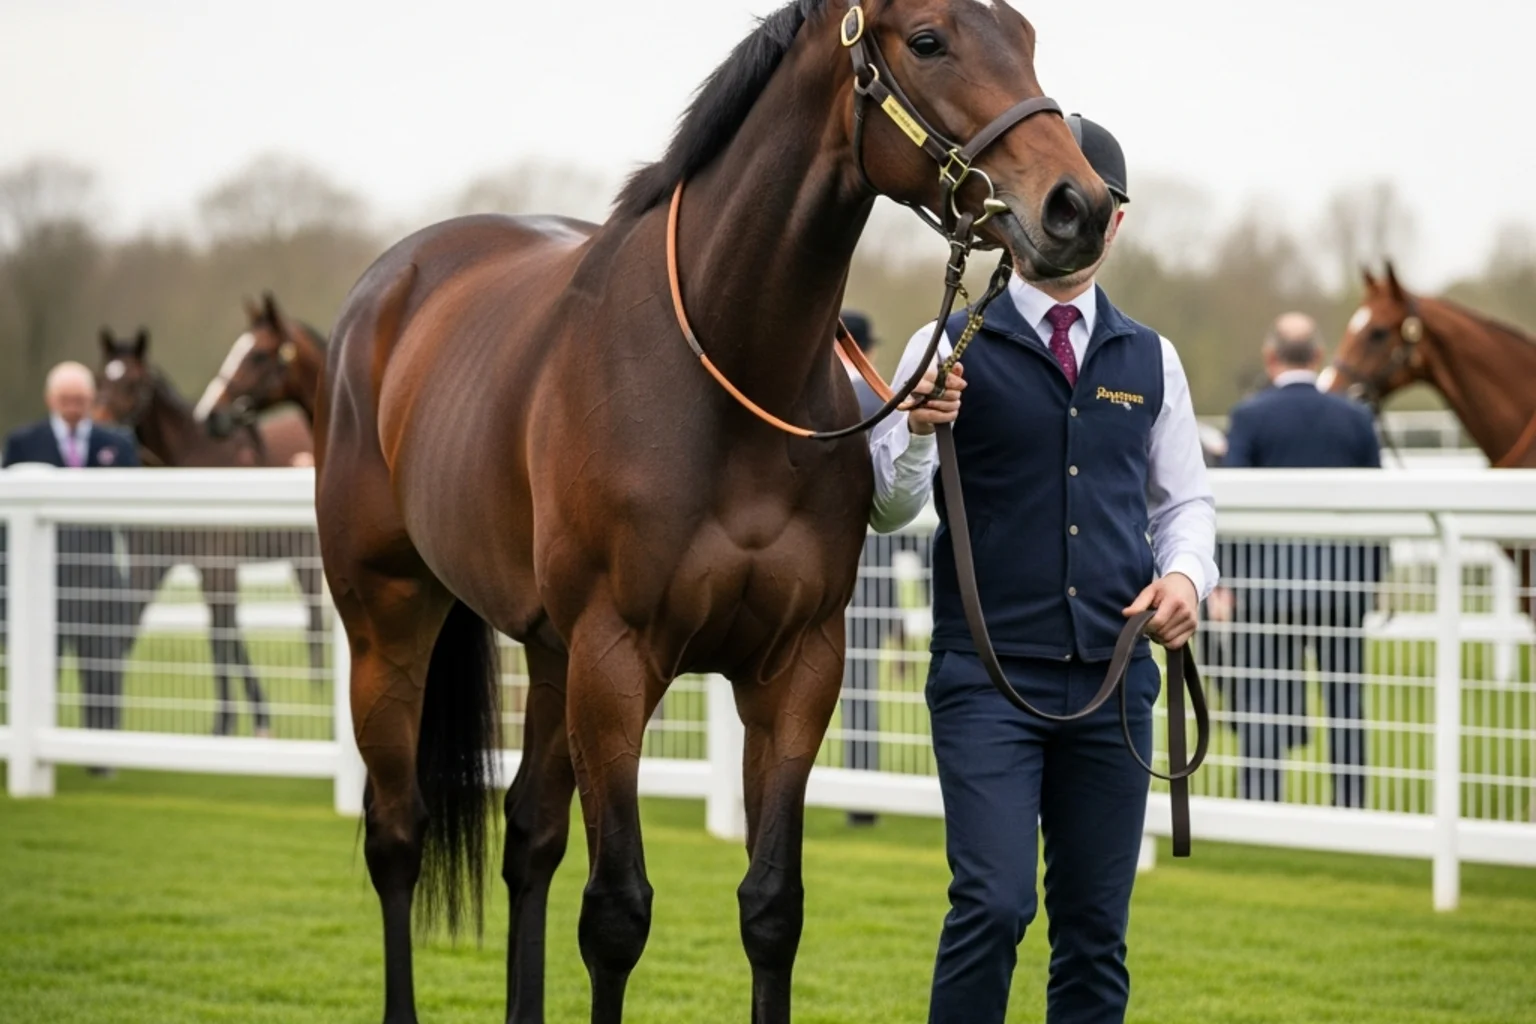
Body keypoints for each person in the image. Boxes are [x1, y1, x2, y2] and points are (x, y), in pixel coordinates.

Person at [869, 117, 1217, 1024]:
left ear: (1117, 222)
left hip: (1113, 683)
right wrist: (915, 432)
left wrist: (1186, 580)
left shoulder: (1154, 359)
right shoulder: (940, 346)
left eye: (1089, 208)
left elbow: (1183, 505)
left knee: (1095, 931)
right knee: (993, 904)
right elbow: (889, 508)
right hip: (986, 683)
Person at [1216, 314, 1383, 807]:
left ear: (1271, 358)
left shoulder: (1249, 416)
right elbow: (1382, 503)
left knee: (1263, 699)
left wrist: (1223, 578)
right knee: (1346, 703)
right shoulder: (1355, 418)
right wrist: (1373, 578)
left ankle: (1261, 801)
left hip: (1267, 592)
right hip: (1342, 589)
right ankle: (1351, 804)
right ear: (1318, 356)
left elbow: (1227, 504)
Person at [4, 361, 141, 756]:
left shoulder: (117, 443)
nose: (73, 407)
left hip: (100, 581)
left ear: (91, 400)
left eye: (80, 399)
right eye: (65, 399)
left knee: (103, 672)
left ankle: (102, 754)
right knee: (37, 671)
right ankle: (29, 752)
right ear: (50, 400)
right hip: (41, 583)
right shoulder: (22, 444)